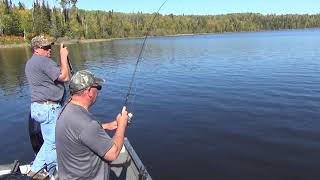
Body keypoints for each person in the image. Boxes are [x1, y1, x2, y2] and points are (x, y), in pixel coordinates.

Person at [56, 70, 129, 180]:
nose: (98, 92)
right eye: (98, 88)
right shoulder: (87, 124)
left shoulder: (65, 110)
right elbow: (112, 154)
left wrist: (106, 126)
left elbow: (78, 132)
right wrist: (122, 125)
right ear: (89, 91)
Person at [25, 35, 70, 177]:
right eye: (45, 47)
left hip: (39, 108)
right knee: (54, 143)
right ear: (36, 49)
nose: (49, 49)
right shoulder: (44, 61)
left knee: (49, 141)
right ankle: (53, 174)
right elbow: (65, 77)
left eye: (49, 46)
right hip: (48, 108)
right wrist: (63, 57)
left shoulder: (31, 63)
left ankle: (35, 170)